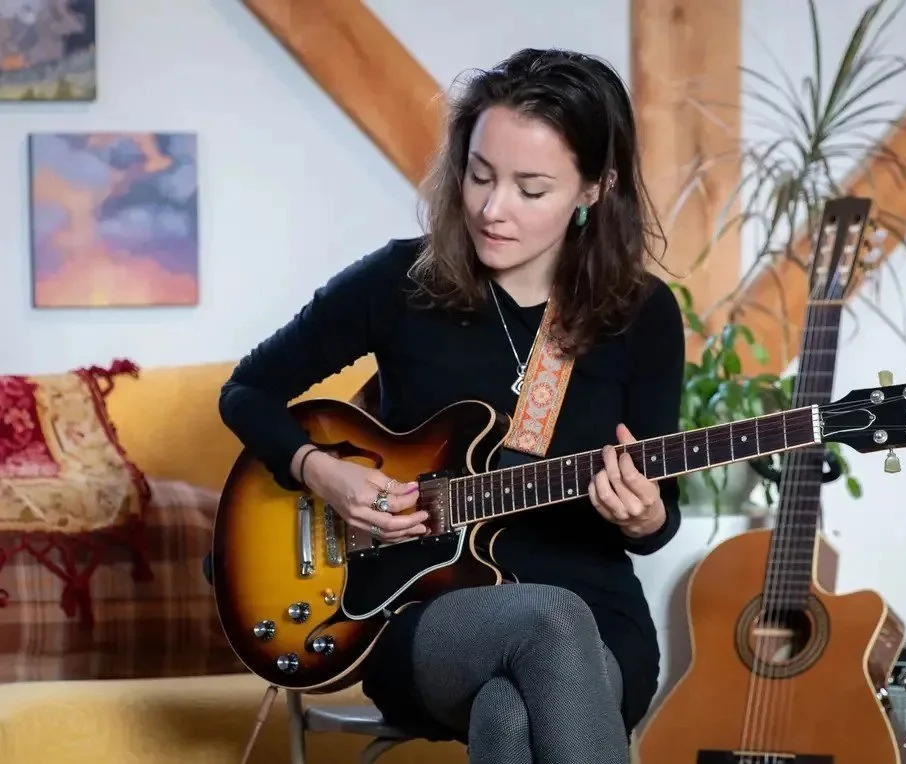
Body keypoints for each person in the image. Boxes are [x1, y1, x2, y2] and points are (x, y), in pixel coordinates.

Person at [218, 47, 685, 764]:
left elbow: (657, 520)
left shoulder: (642, 314)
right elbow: (245, 391)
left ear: (595, 188)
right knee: (550, 618)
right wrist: (321, 472)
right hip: (419, 610)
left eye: (531, 189)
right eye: (480, 175)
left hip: (599, 612)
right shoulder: (399, 282)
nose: (493, 210)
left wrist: (645, 515)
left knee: (509, 713)